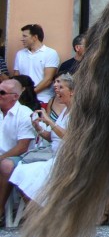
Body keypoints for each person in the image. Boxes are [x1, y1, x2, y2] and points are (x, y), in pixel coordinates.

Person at [9, 73, 74, 205]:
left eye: (61, 87)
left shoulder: (78, 111)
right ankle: (37, 213)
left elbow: (69, 137)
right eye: (55, 86)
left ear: (72, 91)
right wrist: (38, 128)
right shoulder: (64, 111)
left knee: (29, 172)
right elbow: (53, 137)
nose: (56, 89)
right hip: (53, 153)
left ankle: (41, 213)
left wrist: (50, 121)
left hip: (67, 157)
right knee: (20, 171)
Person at [0, 77, 35, 212]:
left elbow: (22, 147)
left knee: (6, 165)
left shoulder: (24, 114)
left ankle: (1, 209)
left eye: (2, 93)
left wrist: (1, 158)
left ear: (15, 96)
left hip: (21, 158)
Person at [12, 24, 59, 107]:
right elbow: (16, 77)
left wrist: (30, 94)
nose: (22, 39)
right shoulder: (20, 54)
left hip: (43, 99)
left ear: (35, 37)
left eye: (25, 36)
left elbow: (48, 79)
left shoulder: (50, 53)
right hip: (22, 100)